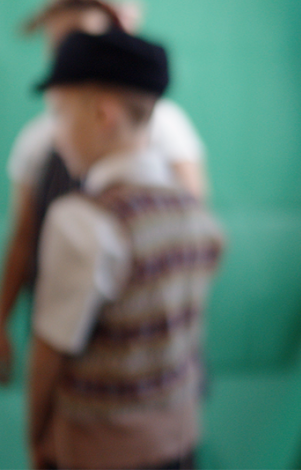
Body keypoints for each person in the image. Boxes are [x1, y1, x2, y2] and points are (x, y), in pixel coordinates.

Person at [28, 28, 223, 470]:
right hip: (178, 442)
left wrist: (36, 437)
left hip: (98, 450)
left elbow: (48, 353)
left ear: (103, 114)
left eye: (59, 113)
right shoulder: (193, 214)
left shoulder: (81, 221)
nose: (55, 134)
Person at [0, 0, 208, 384]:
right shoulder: (38, 141)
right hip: (65, 333)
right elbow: (23, 236)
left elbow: (193, 225)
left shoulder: (167, 129)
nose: (65, 48)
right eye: (56, 40)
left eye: (78, 36)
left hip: (152, 336)